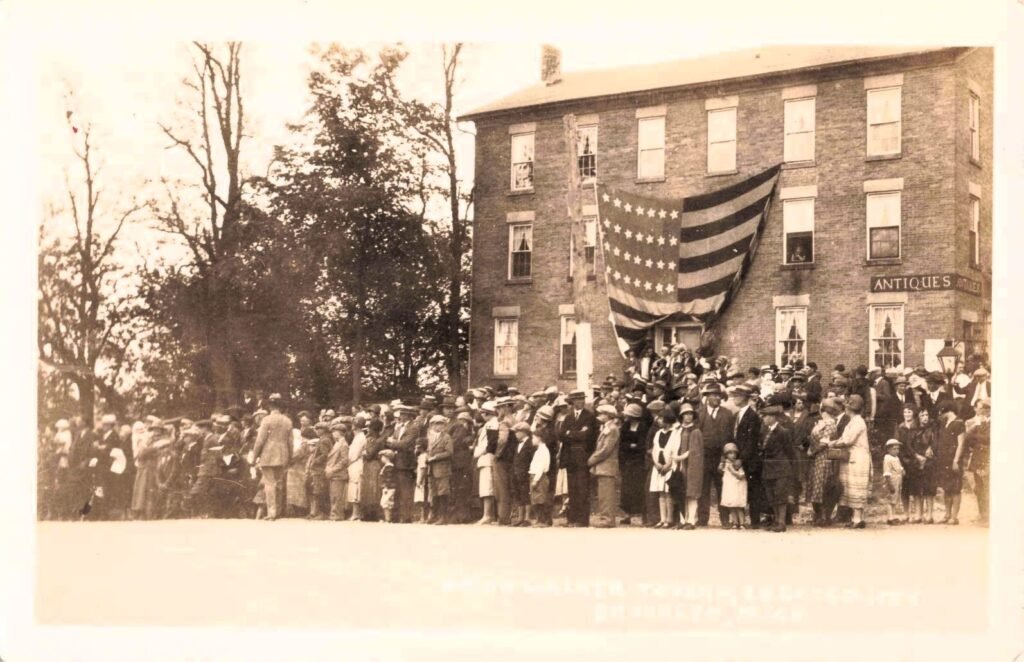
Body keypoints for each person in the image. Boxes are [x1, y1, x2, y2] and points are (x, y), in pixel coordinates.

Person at [829, 394, 871, 529]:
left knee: (856, 487)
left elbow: (848, 440)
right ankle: (856, 518)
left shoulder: (858, 422)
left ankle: (858, 519)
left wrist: (832, 443)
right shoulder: (853, 421)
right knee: (850, 486)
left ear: (850, 409)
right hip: (852, 456)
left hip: (858, 458)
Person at [696, 383, 734, 527]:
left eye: (718, 395)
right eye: (713, 395)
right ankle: (702, 518)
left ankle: (725, 519)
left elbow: (730, 436)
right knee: (703, 488)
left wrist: (726, 457)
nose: (716, 398)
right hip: (704, 456)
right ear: (707, 397)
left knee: (722, 487)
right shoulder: (700, 413)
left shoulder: (727, 414)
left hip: (721, 456)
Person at [559, 390, 598, 527]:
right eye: (577, 399)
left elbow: (588, 436)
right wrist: (577, 434)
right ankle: (572, 518)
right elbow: (561, 434)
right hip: (570, 458)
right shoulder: (568, 417)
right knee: (572, 488)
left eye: (582, 399)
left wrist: (570, 433)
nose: (580, 402)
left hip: (583, 457)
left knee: (582, 488)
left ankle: (582, 520)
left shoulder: (589, 417)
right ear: (572, 402)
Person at [252, 395, 293, 521]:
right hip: (283, 454)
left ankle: (272, 512)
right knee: (279, 483)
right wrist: (290, 456)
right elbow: (290, 442)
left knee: (269, 483)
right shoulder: (287, 421)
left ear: (270, 406)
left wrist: (254, 456)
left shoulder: (266, 420)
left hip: (268, 454)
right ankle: (278, 511)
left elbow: (260, 440)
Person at [758, 404, 797, 532]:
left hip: (780, 468)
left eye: (766, 416)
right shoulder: (765, 431)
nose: (764, 419)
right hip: (768, 467)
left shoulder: (783, 432)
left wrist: (790, 468)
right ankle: (776, 520)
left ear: (773, 417)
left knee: (780, 495)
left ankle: (781, 522)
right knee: (771, 495)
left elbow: (790, 451)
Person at [807, 398, 840, 526]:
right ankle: (818, 515)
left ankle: (824, 517)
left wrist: (812, 452)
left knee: (822, 486)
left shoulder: (830, 424)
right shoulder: (821, 423)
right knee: (815, 486)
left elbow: (824, 443)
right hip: (816, 458)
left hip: (824, 458)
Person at [934, 400, 967, 525]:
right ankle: (947, 514)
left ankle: (954, 516)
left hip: (954, 459)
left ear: (947, 411)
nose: (940, 415)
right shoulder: (944, 424)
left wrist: (956, 460)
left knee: (955, 488)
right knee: (946, 488)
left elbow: (961, 444)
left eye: (941, 412)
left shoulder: (959, 423)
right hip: (944, 460)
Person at [588, 404, 621, 528]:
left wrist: (592, 460)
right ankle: (605, 517)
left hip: (607, 466)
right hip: (603, 466)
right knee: (603, 494)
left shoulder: (612, 429)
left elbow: (606, 449)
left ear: (608, 415)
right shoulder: (607, 428)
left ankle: (607, 519)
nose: (599, 416)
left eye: (602, 413)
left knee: (607, 494)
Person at [649, 407, 682, 528]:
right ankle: (662, 519)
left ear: (667, 419)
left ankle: (669, 519)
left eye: (661, 418)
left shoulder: (675, 433)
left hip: (669, 466)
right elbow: (654, 449)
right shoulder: (658, 433)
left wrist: (668, 464)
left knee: (668, 493)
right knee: (661, 493)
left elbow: (675, 450)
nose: (658, 420)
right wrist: (656, 463)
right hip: (659, 466)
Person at [618, 403, 649, 525]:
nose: (626, 417)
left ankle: (640, 515)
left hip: (638, 462)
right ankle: (627, 514)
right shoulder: (625, 426)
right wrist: (631, 446)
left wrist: (631, 446)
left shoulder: (642, 427)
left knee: (638, 488)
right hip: (627, 461)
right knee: (626, 488)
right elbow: (622, 443)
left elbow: (641, 445)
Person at [677, 402, 704, 530]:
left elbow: (695, 450)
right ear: (681, 416)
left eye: (690, 414)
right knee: (682, 491)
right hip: (681, 465)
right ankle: (683, 519)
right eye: (685, 414)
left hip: (692, 464)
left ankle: (692, 520)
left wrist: (681, 457)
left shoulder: (695, 431)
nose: (688, 416)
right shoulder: (679, 430)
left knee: (692, 491)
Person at [472, 401, 498, 524]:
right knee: (485, 487)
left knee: (487, 488)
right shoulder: (488, 424)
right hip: (484, 458)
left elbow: (491, 444)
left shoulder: (492, 424)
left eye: (483, 413)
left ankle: (488, 515)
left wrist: (478, 452)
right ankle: (488, 514)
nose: (482, 415)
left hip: (487, 458)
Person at [425, 414, 454, 524]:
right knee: (434, 492)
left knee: (443, 492)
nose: (438, 426)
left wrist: (435, 457)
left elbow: (449, 452)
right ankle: (434, 515)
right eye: (436, 424)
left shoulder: (446, 437)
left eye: (441, 424)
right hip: (431, 468)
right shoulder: (429, 437)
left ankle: (443, 517)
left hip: (442, 468)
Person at [965, 398, 990, 524]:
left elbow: (988, 439)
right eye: (981, 408)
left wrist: (976, 436)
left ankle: (989, 515)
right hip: (978, 457)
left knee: (988, 487)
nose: (982, 411)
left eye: (984, 408)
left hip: (988, 458)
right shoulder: (978, 422)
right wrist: (976, 426)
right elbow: (968, 437)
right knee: (979, 487)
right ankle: (982, 514)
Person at [360, 419, 386, 522]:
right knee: (368, 489)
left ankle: (372, 514)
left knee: (372, 489)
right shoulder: (373, 439)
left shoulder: (377, 441)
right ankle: (367, 513)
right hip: (369, 465)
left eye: (370, 428)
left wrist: (364, 453)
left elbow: (369, 455)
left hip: (373, 465)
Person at [305, 422, 332, 520]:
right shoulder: (324, 439)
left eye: (317, 429)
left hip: (320, 469)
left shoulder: (324, 440)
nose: (316, 431)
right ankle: (317, 512)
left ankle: (322, 513)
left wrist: (315, 461)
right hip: (319, 469)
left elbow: (325, 455)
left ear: (322, 430)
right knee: (318, 491)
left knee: (320, 491)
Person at [528, 421, 553, 527]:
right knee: (535, 499)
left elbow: (541, 467)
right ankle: (540, 519)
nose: (532, 440)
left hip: (539, 477)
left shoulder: (543, 450)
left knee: (540, 499)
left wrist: (536, 479)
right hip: (535, 475)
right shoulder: (539, 450)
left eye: (533, 438)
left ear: (539, 438)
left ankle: (543, 520)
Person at [510, 421, 534, 527]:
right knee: (518, 494)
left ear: (524, 432)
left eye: (517, 432)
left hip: (525, 473)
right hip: (517, 473)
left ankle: (527, 518)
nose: (516, 434)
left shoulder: (530, 444)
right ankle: (520, 517)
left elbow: (531, 459)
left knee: (525, 494)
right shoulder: (517, 444)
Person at [325, 420, 350, 521]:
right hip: (333, 473)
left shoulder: (343, 444)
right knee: (333, 495)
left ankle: (337, 515)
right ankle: (334, 514)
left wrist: (333, 469)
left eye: (334, 431)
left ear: (339, 432)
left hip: (338, 473)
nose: (333, 433)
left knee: (337, 495)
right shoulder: (337, 443)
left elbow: (344, 460)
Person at [719, 442, 747, 529]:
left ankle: (742, 523)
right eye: (730, 453)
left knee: (738, 505)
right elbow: (720, 471)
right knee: (731, 505)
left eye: (734, 453)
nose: (733, 455)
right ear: (726, 455)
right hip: (729, 486)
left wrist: (733, 470)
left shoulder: (737, 464)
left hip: (737, 486)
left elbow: (741, 475)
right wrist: (721, 465)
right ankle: (735, 522)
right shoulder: (725, 463)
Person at [347, 417, 367, 521]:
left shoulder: (360, 437)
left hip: (356, 463)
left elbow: (354, 454)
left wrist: (348, 462)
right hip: (354, 463)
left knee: (356, 487)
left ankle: (356, 513)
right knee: (354, 486)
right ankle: (356, 513)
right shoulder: (357, 437)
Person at [882, 439, 906, 525]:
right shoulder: (887, 458)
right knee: (890, 499)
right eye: (894, 449)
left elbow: (899, 467)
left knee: (895, 499)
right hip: (892, 481)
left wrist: (902, 470)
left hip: (898, 481)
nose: (896, 451)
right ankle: (890, 517)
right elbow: (887, 473)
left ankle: (893, 515)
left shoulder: (896, 458)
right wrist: (890, 485)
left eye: (898, 449)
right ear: (888, 449)